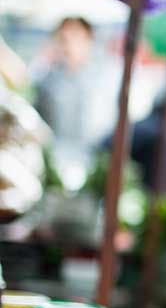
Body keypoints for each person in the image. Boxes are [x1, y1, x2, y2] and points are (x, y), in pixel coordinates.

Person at [32, 17, 119, 185]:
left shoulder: (106, 78)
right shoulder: (46, 80)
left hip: (96, 164)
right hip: (55, 166)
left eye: (75, 37)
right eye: (63, 38)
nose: (69, 44)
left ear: (88, 40)